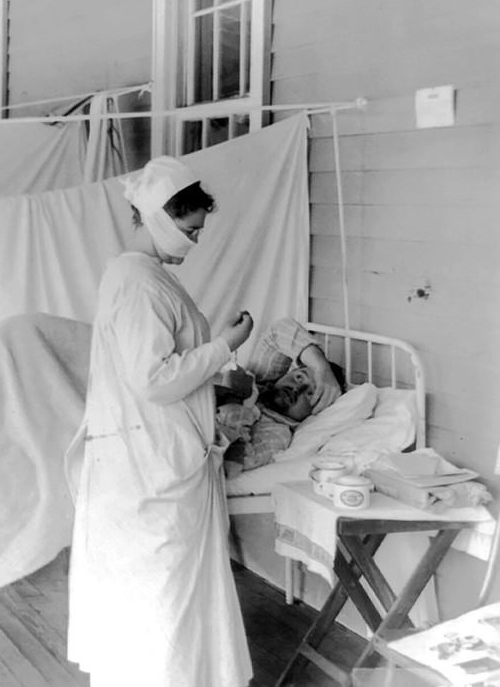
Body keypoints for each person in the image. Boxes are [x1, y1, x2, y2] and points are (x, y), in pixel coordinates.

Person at [67, 156, 254, 687]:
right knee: (159, 589)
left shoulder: (143, 276)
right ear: (164, 221)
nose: (195, 243)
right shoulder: (138, 281)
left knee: (161, 590)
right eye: (191, 230)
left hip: (149, 450)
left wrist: (214, 364)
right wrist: (224, 346)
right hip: (147, 459)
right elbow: (152, 379)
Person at [217, 317, 347, 477]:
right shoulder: (260, 379)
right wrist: (321, 367)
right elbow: (278, 330)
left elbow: (234, 463)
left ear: (317, 410)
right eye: (299, 377)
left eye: (310, 393)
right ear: (290, 371)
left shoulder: (276, 433)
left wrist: (236, 406)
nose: (296, 389)